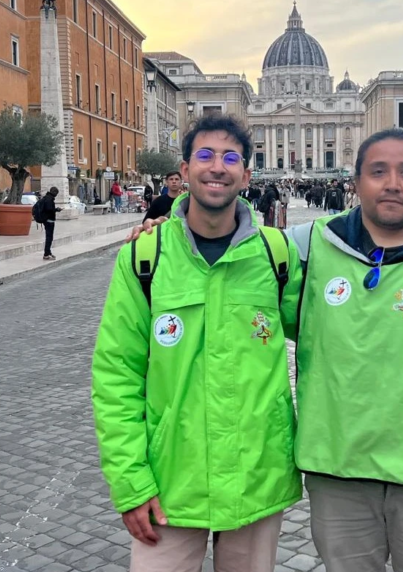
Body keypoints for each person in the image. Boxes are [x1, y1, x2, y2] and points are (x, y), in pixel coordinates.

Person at [125, 129, 403, 572]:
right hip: (338, 471)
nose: (392, 184)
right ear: (356, 181)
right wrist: (167, 231)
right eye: (378, 172)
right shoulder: (307, 246)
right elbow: (238, 249)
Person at [92, 114, 303, 572]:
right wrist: (131, 483)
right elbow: (116, 376)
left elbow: (326, 340)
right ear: (184, 171)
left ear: (246, 175)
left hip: (255, 476)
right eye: (205, 155)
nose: (217, 167)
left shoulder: (277, 253)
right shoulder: (145, 256)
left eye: (230, 158)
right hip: (170, 481)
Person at [40, 186, 61, 261]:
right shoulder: (49, 199)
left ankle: (48, 252)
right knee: (49, 238)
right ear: (54, 192)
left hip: (48, 220)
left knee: (49, 237)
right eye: (56, 193)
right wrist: (56, 209)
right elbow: (49, 209)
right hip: (49, 221)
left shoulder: (47, 197)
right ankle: (46, 254)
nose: (56, 195)